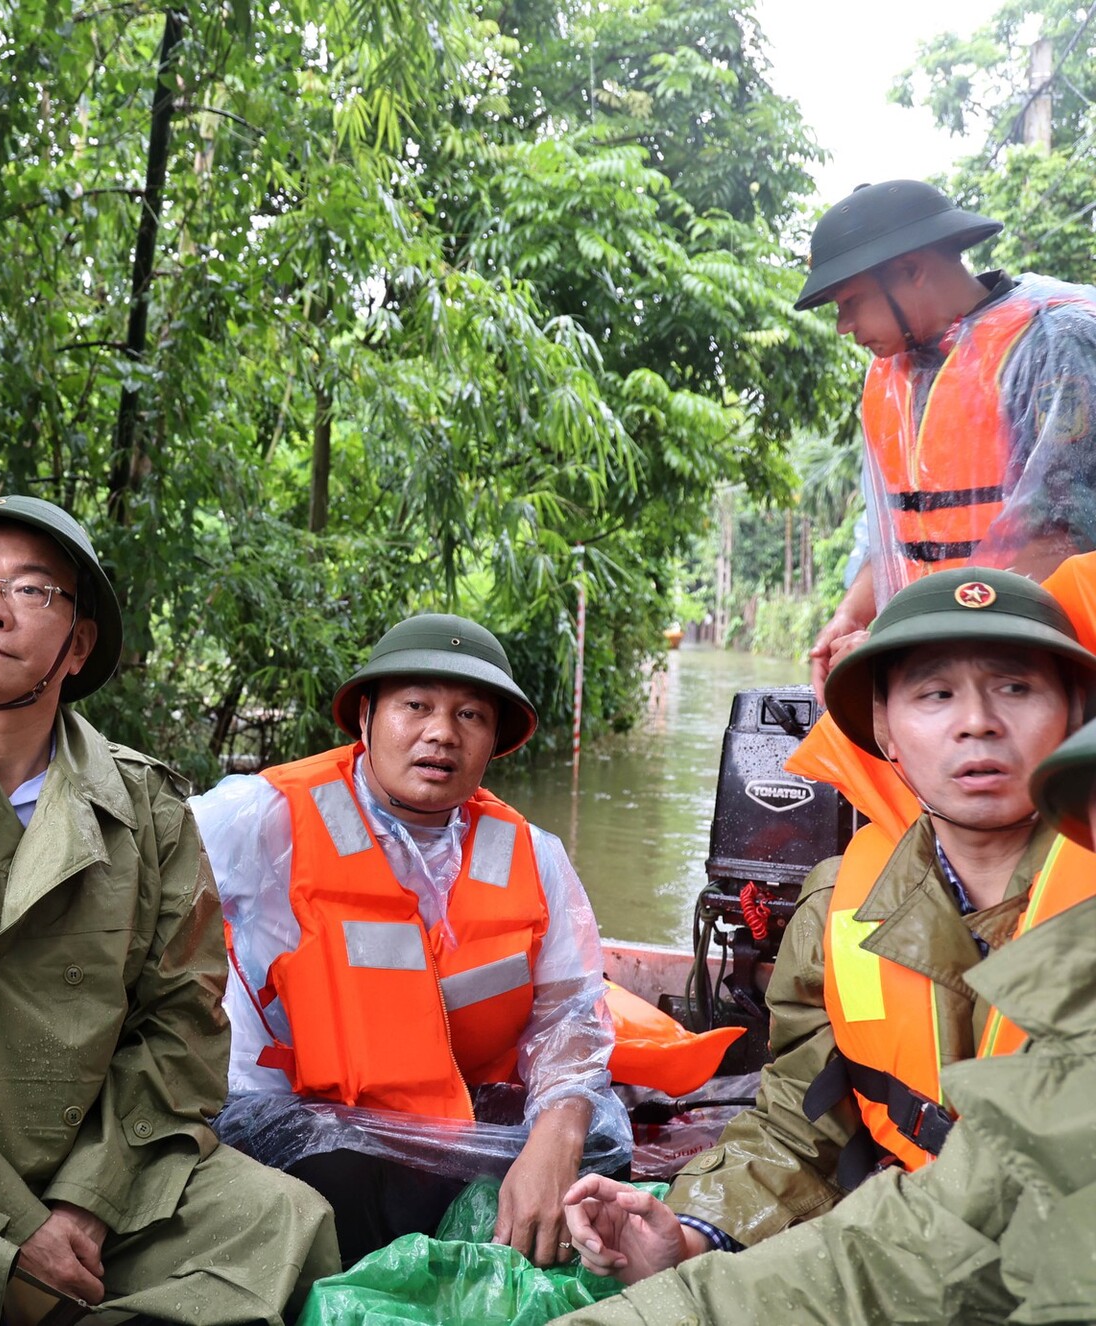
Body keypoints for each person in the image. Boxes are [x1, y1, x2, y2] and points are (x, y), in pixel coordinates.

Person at [0, 495, 338, 1325]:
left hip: (104, 1170)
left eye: (30, 591)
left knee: (282, 1220)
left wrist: (85, 1202)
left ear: (77, 645)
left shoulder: (147, 812)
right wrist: (18, 1230)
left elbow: (182, 1028)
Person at [560, 566, 1096, 1285]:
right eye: (936, 694)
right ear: (885, 733)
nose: (977, 722)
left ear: (1074, 714)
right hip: (914, 1247)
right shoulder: (836, 904)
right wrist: (690, 1235)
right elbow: (798, 1119)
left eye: (1017, 688)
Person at [191, 614, 625, 1268]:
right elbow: (133, 891)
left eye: (471, 715)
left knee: (598, 1156)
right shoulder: (264, 817)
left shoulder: (535, 856)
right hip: (295, 1120)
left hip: (451, 1117)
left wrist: (555, 1139)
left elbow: (569, 1019)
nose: (441, 734)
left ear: (495, 740)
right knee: (344, 1178)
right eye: (415, 706)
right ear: (365, 717)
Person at [797, 179, 1096, 698]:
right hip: (942, 654)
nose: (844, 326)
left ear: (911, 270)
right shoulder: (892, 379)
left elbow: (1059, 534)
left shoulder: (1054, 340)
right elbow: (893, 535)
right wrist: (850, 616)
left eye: (851, 301)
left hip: (1053, 657)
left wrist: (903, 635)